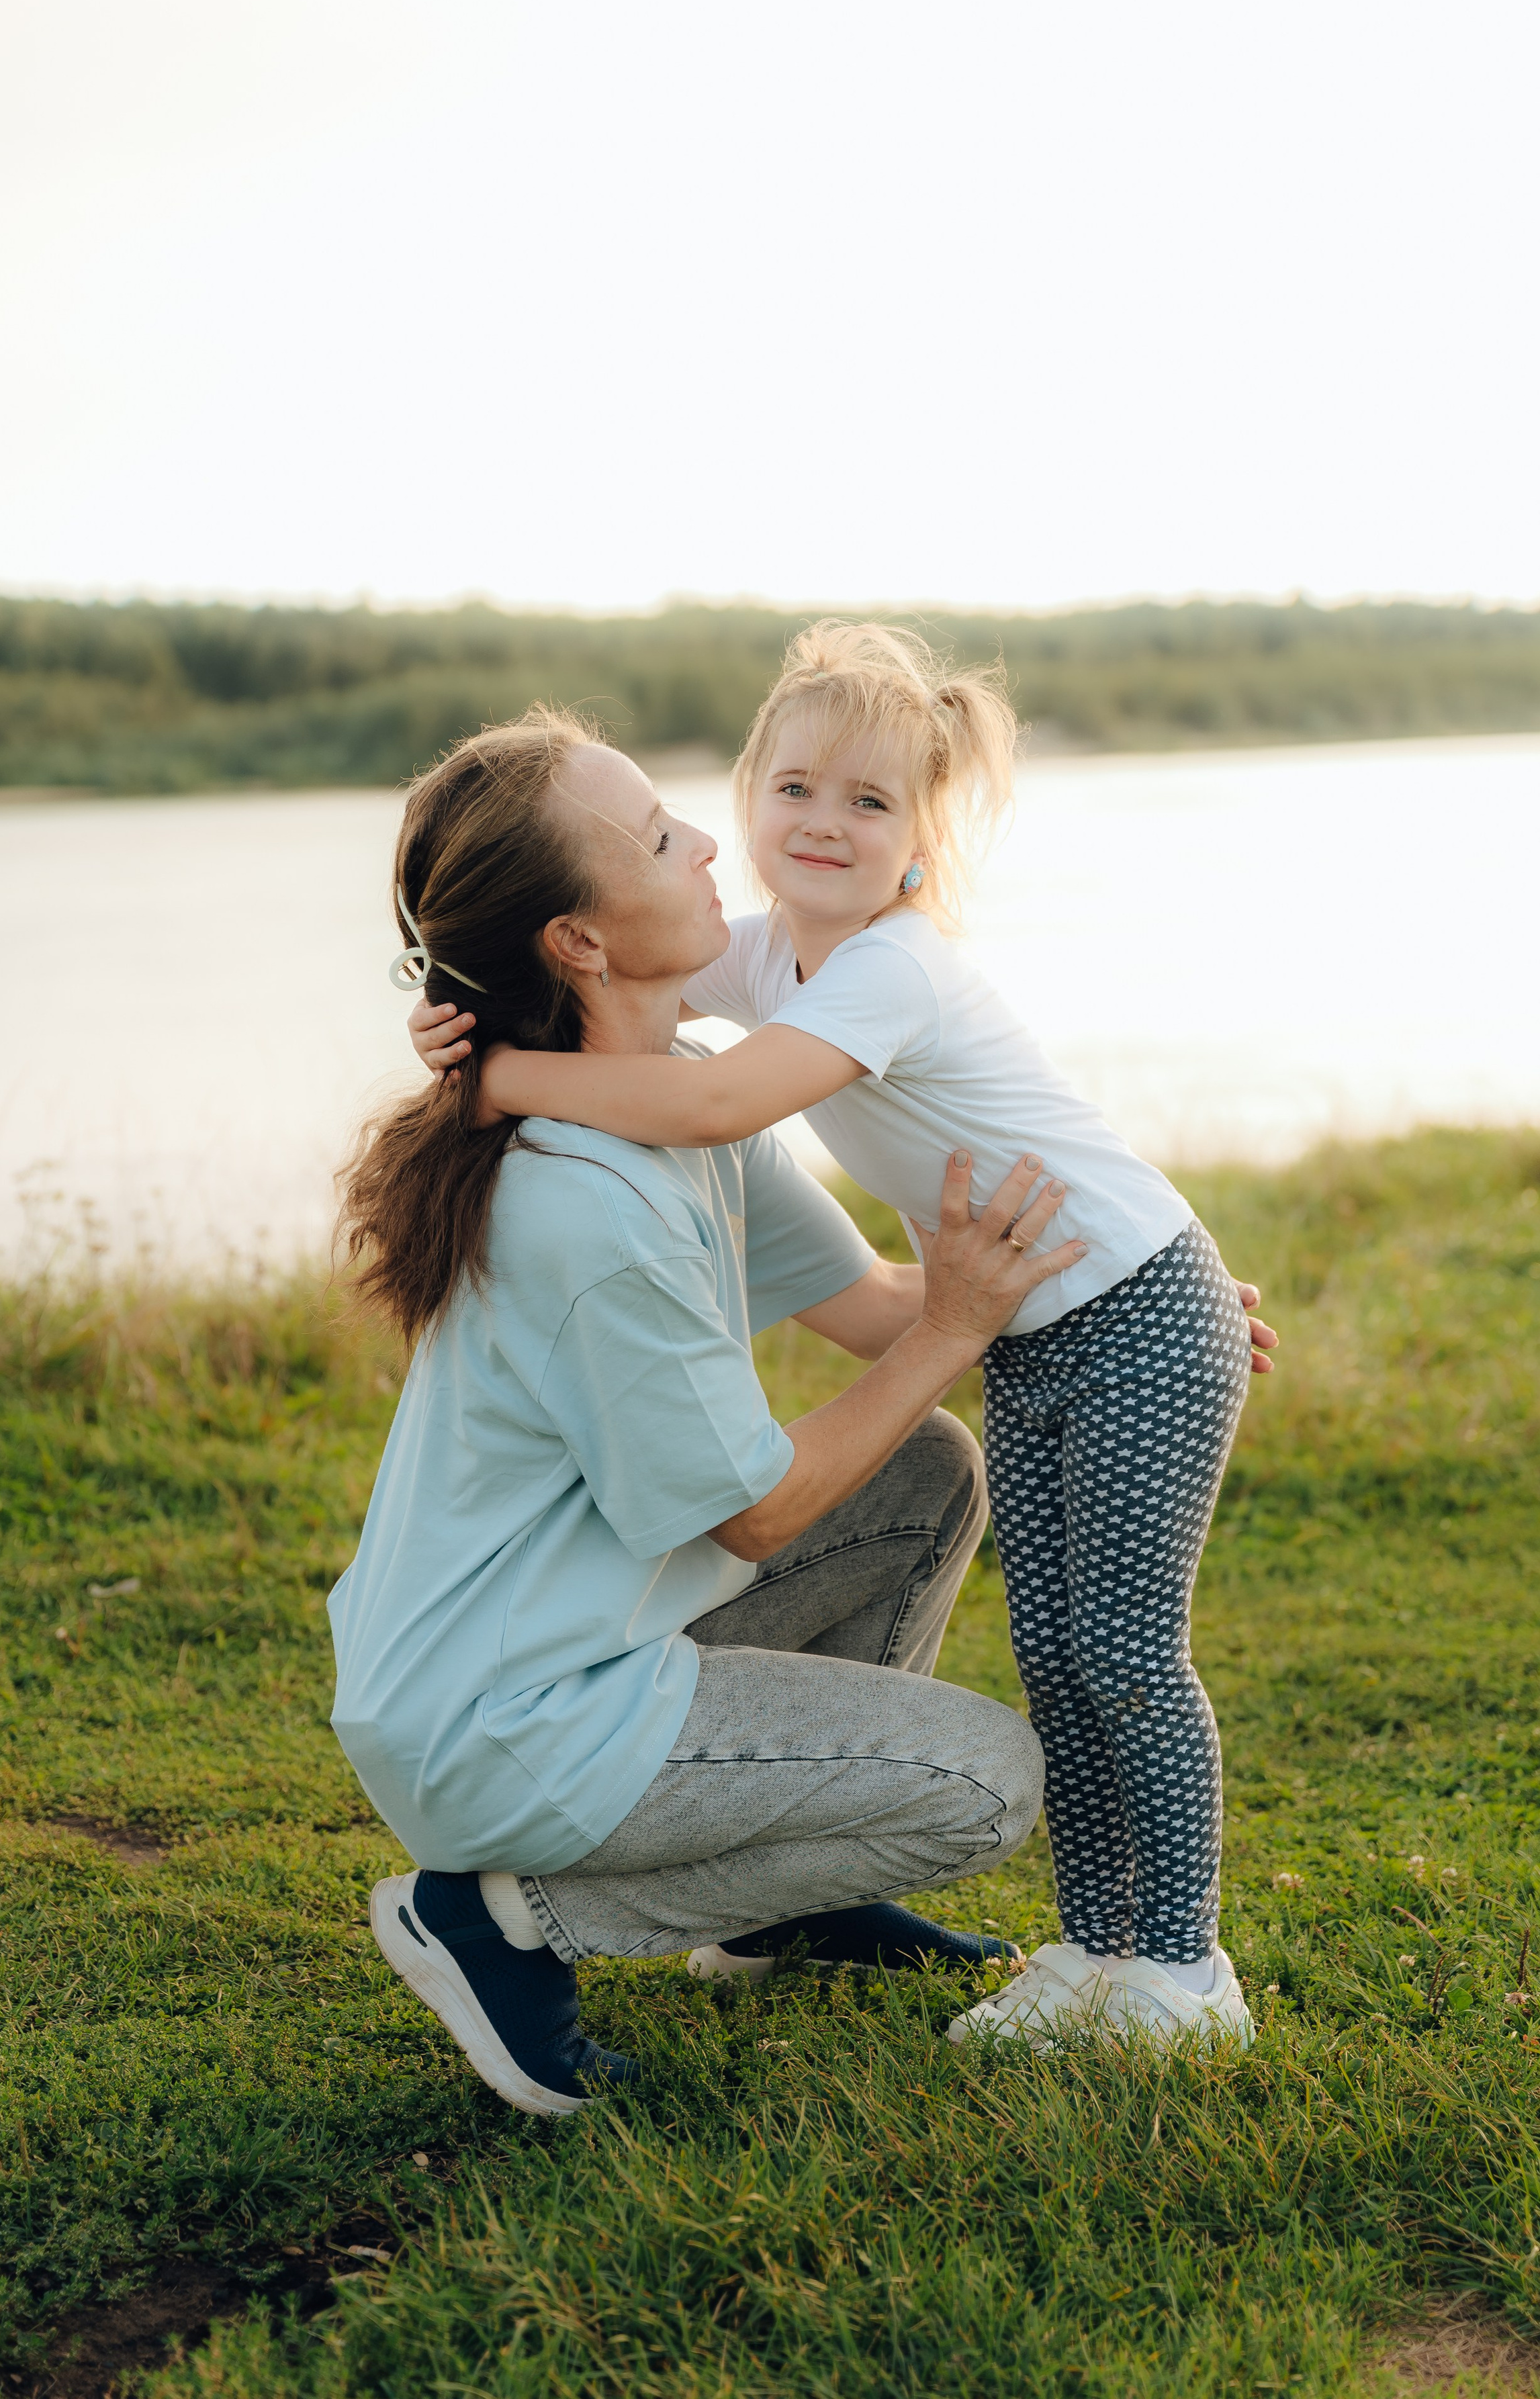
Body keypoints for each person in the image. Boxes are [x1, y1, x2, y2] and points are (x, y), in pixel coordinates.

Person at [410, 624, 1279, 2052]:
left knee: (1125, 1655)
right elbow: (605, 985)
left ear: (921, 845)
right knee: (1056, 1657)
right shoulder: (768, 955)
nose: (826, 823)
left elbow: (705, 1106)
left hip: (1131, 1314)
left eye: (870, 804)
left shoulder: (892, 968)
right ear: (747, 800)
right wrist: (453, 1025)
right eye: (796, 787)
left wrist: (499, 1079)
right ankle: (1091, 1951)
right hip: (1040, 1335)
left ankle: (1181, 1972)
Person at [332, 705, 1088, 2118]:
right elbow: (758, 1507)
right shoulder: (577, 1206)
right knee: (982, 1788)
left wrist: (1107, 1288)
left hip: (570, 1654)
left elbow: (868, 1303)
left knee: (920, 1469)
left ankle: (785, 1912)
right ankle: (499, 1920)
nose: (704, 846)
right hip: (500, 1717)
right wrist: (956, 1323)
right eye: (656, 836)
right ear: (578, 940)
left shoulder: (676, 1100)